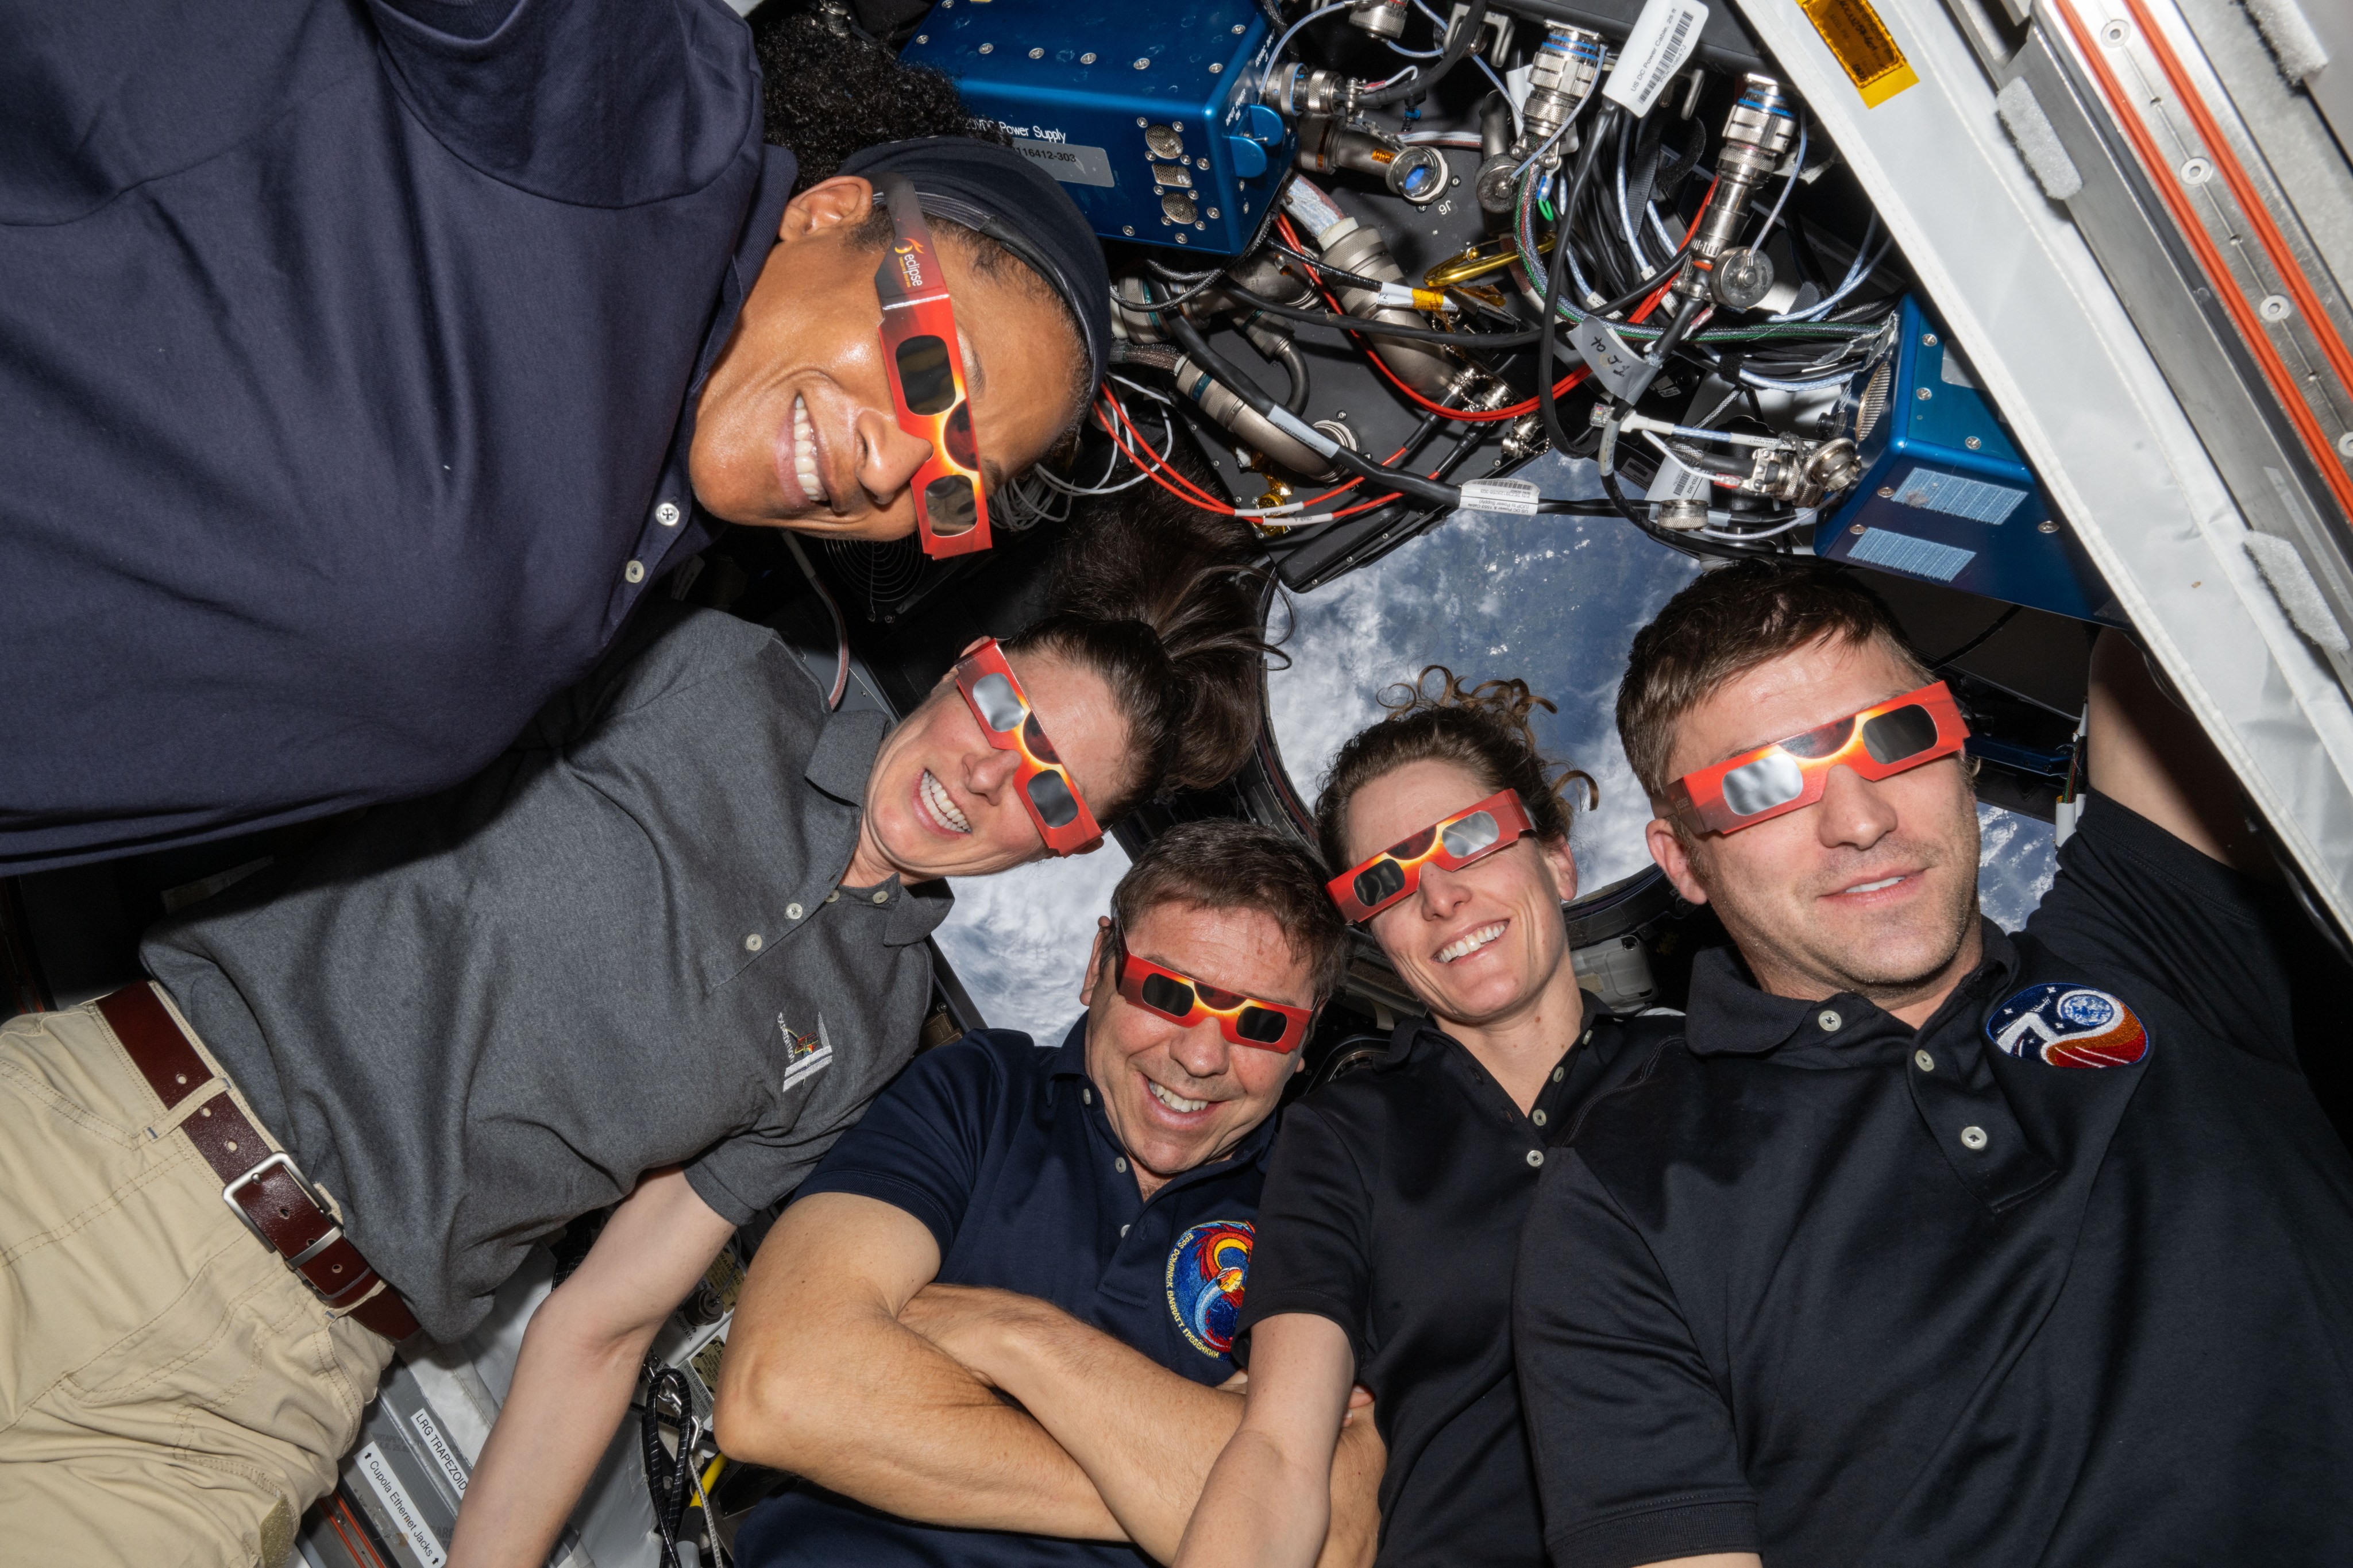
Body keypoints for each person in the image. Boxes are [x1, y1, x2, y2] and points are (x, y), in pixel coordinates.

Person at [0, 496, 1267, 1566]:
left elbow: (605, 1321)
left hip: (270, 1382)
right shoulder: (706, 670)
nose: (993, 772)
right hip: (94, 1140)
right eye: (1002, 710)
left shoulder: (871, 1028)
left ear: (1063, 843)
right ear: (959, 670)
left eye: (1050, 789)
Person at [2, 2, 1111, 875]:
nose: (893, 469)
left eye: (952, 488)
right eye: (933, 374)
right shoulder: (640, 126)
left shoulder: (643, 565)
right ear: (829, 213)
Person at [1513, 560, 2353, 1568]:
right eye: (1763, 784)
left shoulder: (2152, 941)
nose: (1861, 820)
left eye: (1898, 733)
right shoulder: (1625, 1193)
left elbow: (2197, 576)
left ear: (1960, 748)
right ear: (1684, 858)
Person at [713, 821, 1383, 1567]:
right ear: (1100, 963)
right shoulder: (979, 1093)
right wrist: (1206, 1493)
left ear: (1303, 1048)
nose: (1199, 1056)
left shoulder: (1324, 1224)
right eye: (1167, 990)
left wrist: (1016, 1336)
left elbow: (1334, 1545)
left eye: (1261, 1022)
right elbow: (780, 1388)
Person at [1175, 673, 1677, 1568]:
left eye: (1472, 838)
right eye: (1388, 878)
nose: (1439, 896)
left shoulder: (1703, 1071)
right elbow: (1282, 1449)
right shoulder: (1342, 1134)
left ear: (1556, 858)